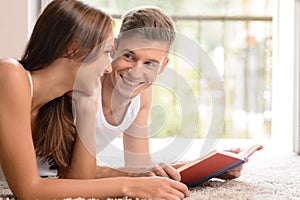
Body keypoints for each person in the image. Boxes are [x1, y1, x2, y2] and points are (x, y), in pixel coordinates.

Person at [0, 0, 189, 199]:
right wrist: (128, 186)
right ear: (73, 49)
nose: (108, 67)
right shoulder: (10, 75)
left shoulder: (61, 101)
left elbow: (80, 183)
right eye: (107, 52)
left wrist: (87, 109)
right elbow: (29, 191)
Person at [67, 6, 243, 181]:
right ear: (114, 48)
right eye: (129, 56)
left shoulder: (141, 95)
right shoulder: (89, 82)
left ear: (163, 66)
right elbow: (67, 171)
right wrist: (129, 175)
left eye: (150, 63)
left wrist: (207, 166)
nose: (136, 71)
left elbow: (139, 166)